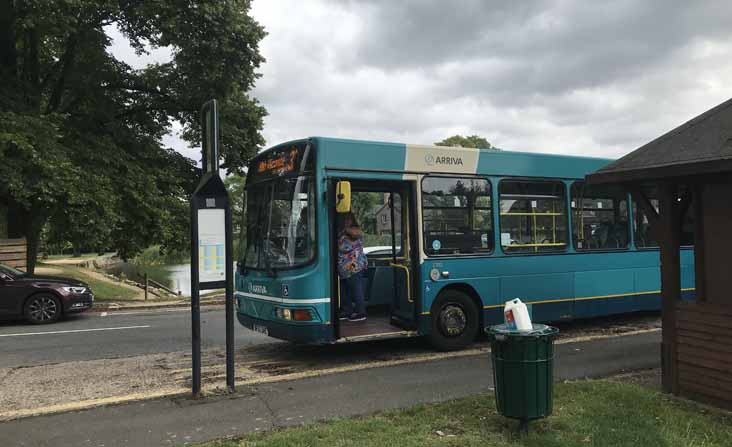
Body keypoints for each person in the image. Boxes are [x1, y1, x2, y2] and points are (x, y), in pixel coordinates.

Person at [337, 211, 368, 322]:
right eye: (344, 219)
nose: (345, 221)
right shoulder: (340, 232)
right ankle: (347, 311)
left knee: (356, 289)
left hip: (354, 267)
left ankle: (361, 312)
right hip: (343, 268)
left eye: (348, 219)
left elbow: (358, 234)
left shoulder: (354, 230)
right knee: (343, 290)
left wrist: (346, 228)